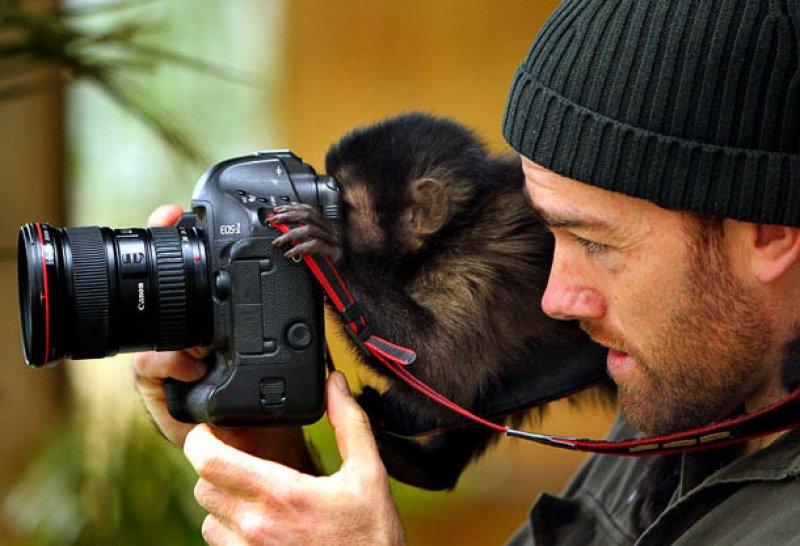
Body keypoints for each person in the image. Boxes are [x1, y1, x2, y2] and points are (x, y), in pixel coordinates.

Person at [134, 0, 800, 544]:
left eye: (596, 242)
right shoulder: (680, 392)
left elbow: (436, 369)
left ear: (767, 233)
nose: (556, 298)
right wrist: (274, 457)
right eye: (549, 227)